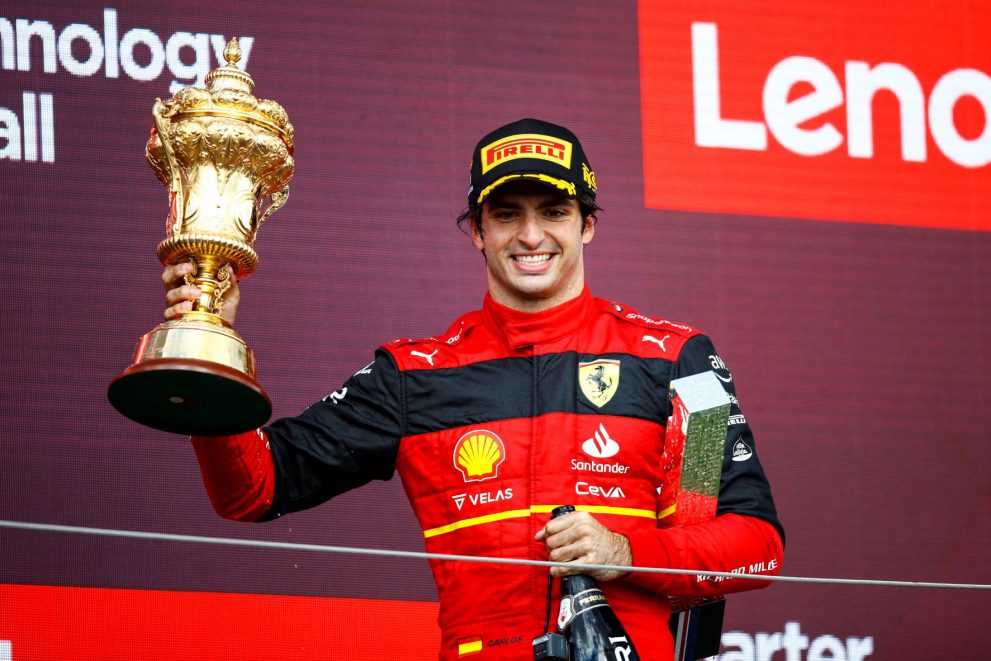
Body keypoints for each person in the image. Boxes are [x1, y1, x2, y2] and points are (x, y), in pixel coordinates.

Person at [163, 118, 784, 660]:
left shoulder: (677, 362)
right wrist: (207, 348)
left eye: (555, 212)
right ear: (476, 232)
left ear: (588, 226)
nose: (531, 236)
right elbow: (254, 488)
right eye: (506, 214)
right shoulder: (416, 375)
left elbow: (755, 545)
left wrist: (624, 549)